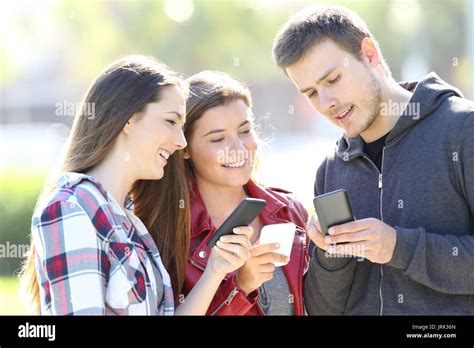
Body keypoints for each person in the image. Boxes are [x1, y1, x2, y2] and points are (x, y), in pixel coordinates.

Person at [272, 5, 474, 315]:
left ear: (369, 53)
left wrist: (397, 247)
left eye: (333, 79)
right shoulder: (331, 170)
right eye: (310, 93)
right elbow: (323, 309)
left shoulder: (463, 130)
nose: (327, 103)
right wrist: (330, 256)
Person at [19, 55, 252, 315]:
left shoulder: (129, 220)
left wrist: (215, 270)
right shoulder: (72, 207)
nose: (181, 142)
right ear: (127, 119)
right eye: (170, 122)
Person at [179, 71, 309, 315]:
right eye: (218, 139)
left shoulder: (289, 210)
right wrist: (241, 286)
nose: (238, 148)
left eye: (245, 131)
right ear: (185, 148)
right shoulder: (171, 232)